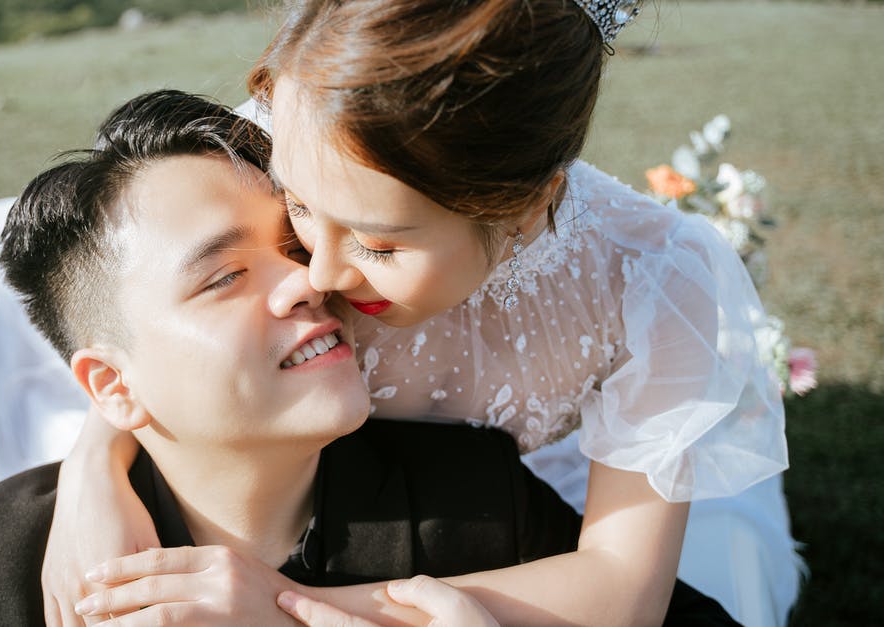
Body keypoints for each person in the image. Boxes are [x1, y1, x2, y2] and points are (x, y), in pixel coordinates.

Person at [43, 2, 801, 626]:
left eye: (377, 244)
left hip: (519, 527)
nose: (321, 271)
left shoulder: (648, 280)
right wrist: (92, 470)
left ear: (522, 209)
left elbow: (622, 589)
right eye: (299, 208)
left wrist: (281, 611)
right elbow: (145, 306)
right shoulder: (302, 131)